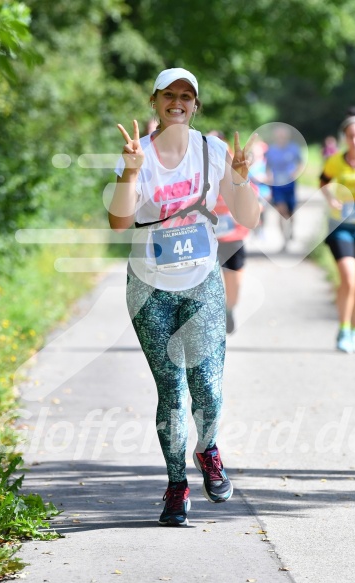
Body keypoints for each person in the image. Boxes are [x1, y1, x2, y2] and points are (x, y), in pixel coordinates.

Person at [109, 68, 260, 526]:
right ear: (154, 101)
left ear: (196, 106)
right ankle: (177, 486)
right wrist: (131, 173)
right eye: (169, 94)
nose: (178, 101)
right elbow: (119, 223)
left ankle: (207, 449)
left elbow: (247, 217)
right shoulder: (138, 154)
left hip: (201, 284)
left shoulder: (211, 151)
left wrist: (239, 178)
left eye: (187, 96)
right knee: (172, 391)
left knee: (208, 391)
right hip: (148, 289)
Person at [319, 111, 355, 353]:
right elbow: (323, 182)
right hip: (341, 226)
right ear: (344, 137)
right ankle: (343, 329)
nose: (354, 140)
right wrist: (331, 198)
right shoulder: (335, 161)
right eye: (350, 136)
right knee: (349, 278)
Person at [207, 130, 251, 334]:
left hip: (233, 236)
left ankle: (229, 308)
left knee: (234, 283)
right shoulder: (198, 172)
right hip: (207, 238)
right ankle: (212, 315)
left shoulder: (236, 169)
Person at [265, 125, 303, 249]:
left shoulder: (293, 148)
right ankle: (284, 239)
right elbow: (268, 167)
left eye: (283, 135)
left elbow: (300, 163)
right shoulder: (271, 150)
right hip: (277, 186)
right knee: (281, 212)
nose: (281, 137)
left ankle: (291, 230)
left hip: (290, 184)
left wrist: (295, 173)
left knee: (291, 213)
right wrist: (269, 178)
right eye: (279, 135)